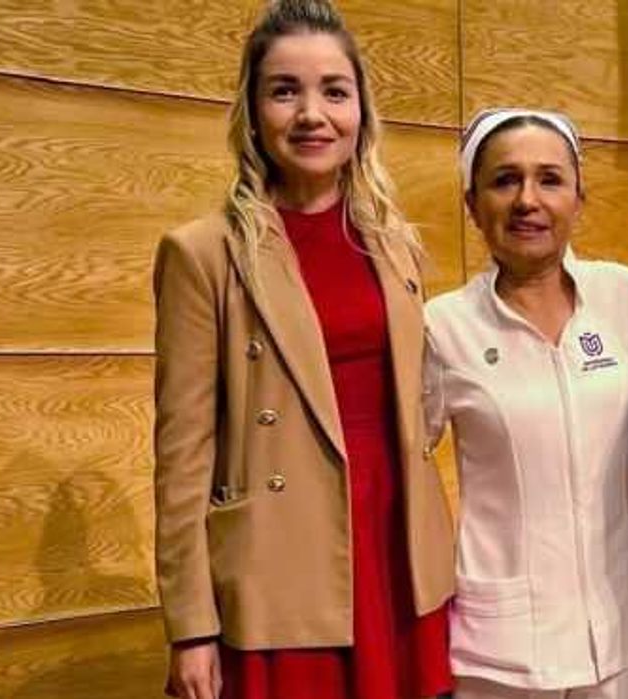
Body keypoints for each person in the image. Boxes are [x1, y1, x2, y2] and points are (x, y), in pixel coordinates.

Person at [152, 2, 455, 698]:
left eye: (334, 91)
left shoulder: (396, 243)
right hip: (280, 569)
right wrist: (191, 625)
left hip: (397, 554)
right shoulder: (203, 253)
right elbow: (182, 455)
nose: (312, 114)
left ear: (361, 112)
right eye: (285, 90)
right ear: (253, 111)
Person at [422, 108, 628, 699]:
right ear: (472, 205)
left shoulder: (625, 296)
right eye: (505, 180)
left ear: (579, 198)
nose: (527, 200)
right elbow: (400, 466)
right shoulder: (441, 325)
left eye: (550, 179)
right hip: (502, 650)